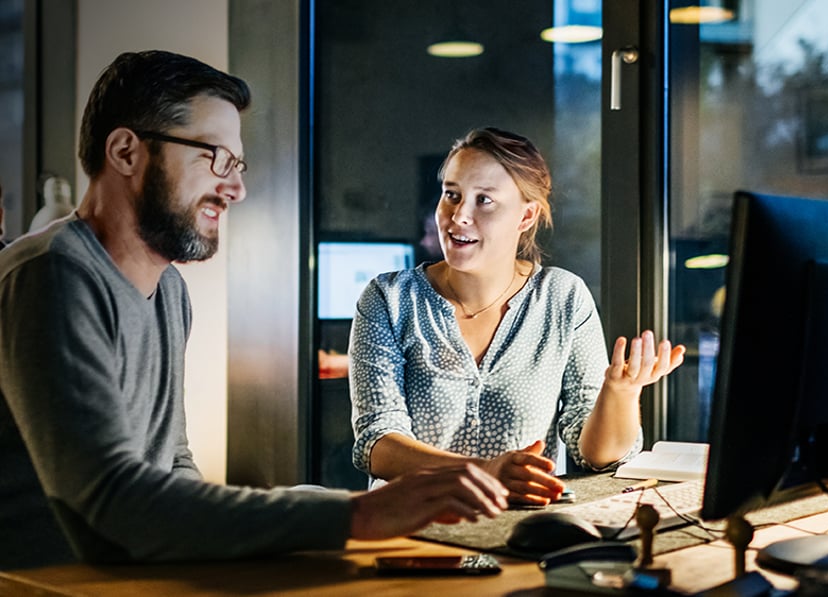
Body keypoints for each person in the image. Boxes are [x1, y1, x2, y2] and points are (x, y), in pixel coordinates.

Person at [0, 50, 508, 571]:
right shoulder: (51, 275)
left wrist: (348, 508)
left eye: (237, 164)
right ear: (126, 152)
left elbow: (172, 468)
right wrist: (354, 516)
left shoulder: (169, 291)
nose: (236, 188)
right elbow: (112, 503)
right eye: (213, 158)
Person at [349, 127, 686, 506]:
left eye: (484, 201)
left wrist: (621, 393)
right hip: (409, 531)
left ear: (526, 216)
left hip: (524, 530)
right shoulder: (389, 298)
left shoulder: (563, 297)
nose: (459, 215)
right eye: (452, 195)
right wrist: (483, 473)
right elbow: (377, 444)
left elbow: (596, 455)